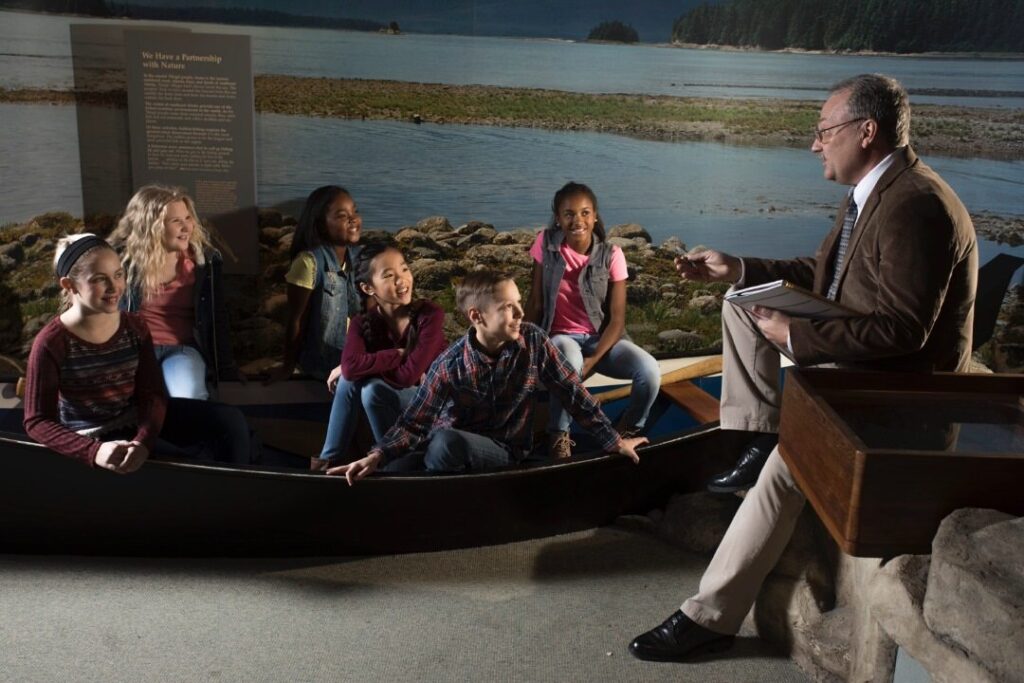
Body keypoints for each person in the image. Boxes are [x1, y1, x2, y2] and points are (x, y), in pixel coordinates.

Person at [628, 74, 977, 662]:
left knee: (787, 470)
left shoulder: (917, 206)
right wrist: (736, 266)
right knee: (740, 302)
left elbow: (904, 332)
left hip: (902, 395)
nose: (815, 145)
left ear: (867, 132)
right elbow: (823, 276)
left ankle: (709, 616)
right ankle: (763, 434)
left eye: (823, 132)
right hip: (867, 365)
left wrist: (796, 335)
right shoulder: (874, 191)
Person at [326, 270, 649, 483]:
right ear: (477, 316)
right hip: (449, 437)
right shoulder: (450, 364)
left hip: (502, 448)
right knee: (392, 441)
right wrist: (377, 455)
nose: (521, 314)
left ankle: (422, 480)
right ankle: (386, 467)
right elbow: (415, 421)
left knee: (443, 443)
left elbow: (572, 392)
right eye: (508, 307)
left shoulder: (533, 341)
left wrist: (614, 441)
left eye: (519, 303)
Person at [23, 234, 255, 473]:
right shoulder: (51, 342)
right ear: (69, 285)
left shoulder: (134, 326)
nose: (114, 288)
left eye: (118, 275)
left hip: (134, 419)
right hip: (91, 434)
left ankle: (239, 490)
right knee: (187, 464)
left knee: (229, 421)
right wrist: (94, 451)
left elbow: (151, 394)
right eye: (100, 279)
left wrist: (144, 441)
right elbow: (37, 421)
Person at [525, 182, 661, 459]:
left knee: (649, 370)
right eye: (569, 214)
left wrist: (596, 358)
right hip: (560, 336)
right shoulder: (545, 243)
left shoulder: (612, 255)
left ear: (595, 216)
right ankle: (559, 435)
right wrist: (521, 345)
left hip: (603, 340)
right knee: (569, 359)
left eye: (585, 213)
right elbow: (536, 302)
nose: (578, 221)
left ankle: (627, 431)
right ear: (558, 217)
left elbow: (617, 320)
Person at [315, 240, 447, 469]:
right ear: (368, 288)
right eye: (388, 275)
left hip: (434, 407)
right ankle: (328, 463)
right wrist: (398, 353)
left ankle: (386, 462)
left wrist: (363, 367)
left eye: (404, 269)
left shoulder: (429, 315)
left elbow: (407, 377)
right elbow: (351, 368)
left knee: (370, 388)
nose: (402, 280)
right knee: (351, 380)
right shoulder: (361, 323)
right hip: (396, 403)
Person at [108, 184, 240, 400]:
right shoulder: (121, 260)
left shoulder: (205, 261)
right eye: (176, 221)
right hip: (134, 351)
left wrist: (227, 368)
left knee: (190, 398)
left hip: (181, 350)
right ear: (151, 225)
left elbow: (217, 318)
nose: (187, 227)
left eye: (188, 218)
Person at [267, 185, 362, 383]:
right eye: (342, 215)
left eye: (355, 211)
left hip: (356, 360)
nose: (353, 219)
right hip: (324, 365)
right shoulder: (309, 263)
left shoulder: (359, 260)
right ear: (320, 224)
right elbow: (296, 320)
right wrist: (287, 367)